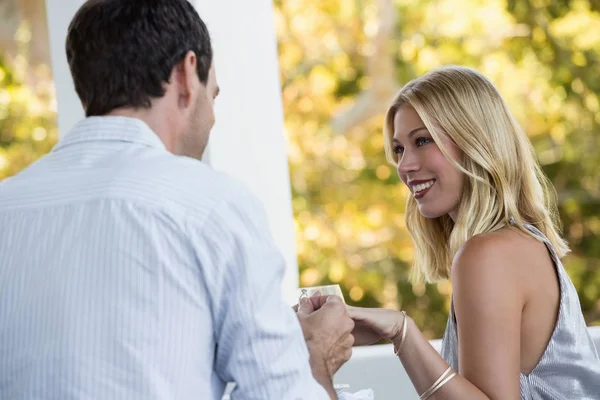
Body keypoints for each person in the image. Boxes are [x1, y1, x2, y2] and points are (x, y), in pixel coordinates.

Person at [0, 1, 354, 399]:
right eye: (213, 96)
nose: (213, 117)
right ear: (187, 74)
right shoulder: (211, 205)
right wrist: (314, 356)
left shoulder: (6, 207)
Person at [345, 66, 600, 399]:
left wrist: (401, 330)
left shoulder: (488, 254)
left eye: (422, 141)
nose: (404, 166)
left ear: (474, 140)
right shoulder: (520, 242)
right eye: (398, 149)